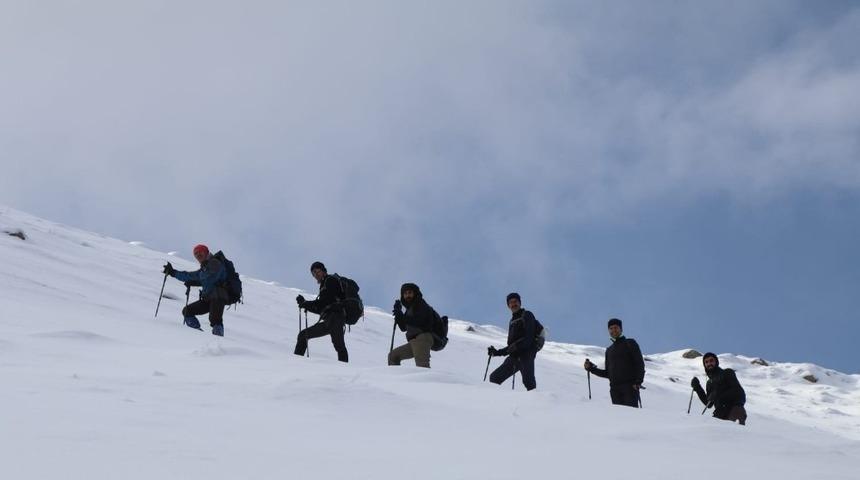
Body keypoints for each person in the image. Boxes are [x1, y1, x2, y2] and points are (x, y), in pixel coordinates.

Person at [162, 244, 228, 336]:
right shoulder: (204, 268)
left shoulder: (215, 262)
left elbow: (210, 277)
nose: (198, 255)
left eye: (200, 252)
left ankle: (218, 343)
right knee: (187, 311)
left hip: (218, 296)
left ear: (206, 252)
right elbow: (192, 276)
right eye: (195, 254)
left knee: (215, 319)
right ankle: (198, 336)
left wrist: (195, 281)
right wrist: (174, 273)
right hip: (208, 298)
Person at [487, 293, 544, 391]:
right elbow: (511, 346)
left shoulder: (527, 315)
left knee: (528, 382)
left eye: (515, 302)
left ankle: (537, 403)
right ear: (508, 305)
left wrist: (517, 346)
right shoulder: (512, 321)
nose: (513, 304)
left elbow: (528, 338)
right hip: (514, 356)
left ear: (520, 303)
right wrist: (496, 352)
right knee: (494, 378)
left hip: (527, 354)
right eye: (511, 303)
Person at [294, 261, 349, 362]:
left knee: (339, 346)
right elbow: (322, 307)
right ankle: (297, 363)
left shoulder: (330, 280)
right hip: (330, 320)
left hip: (335, 318)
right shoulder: (324, 284)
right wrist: (305, 304)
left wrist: (305, 304)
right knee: (303, 335)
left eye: (317, 271)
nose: (315, 275)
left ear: (323, 270)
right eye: (313, 274)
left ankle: (345, 372)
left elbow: (323, 303)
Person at [583, 318, 645, 407]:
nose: (613, 330)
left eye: (616, 327)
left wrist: (638, 381)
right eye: (611, 328)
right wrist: (591, 368)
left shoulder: (630, 343)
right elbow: (608, 373)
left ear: (621, 329)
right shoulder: (609, 350)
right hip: (614, 390)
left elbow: (639, 363)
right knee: (619, 418)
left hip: (630, 387)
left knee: (631, 418)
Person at [389, 283, 437, 368]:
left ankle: (429, 381)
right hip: (413, 342)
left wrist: (401, 316)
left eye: (410, 293)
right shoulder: (409, 310)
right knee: (393, 356)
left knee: (422, 368)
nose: (407, 295)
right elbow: (404, 327)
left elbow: (420, 321)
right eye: (405, 293)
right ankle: (396, 380)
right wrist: (398, 313)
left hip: (422, 338)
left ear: (415, 293)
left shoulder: (421, 304)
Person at [691, 352, 747, 425]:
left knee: (733, 434)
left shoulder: (727, 373)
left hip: (734, 410)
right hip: (719, 414)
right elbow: (708, 403)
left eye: (711, 360)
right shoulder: (709, 383)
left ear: (716, 362)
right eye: (706, 362)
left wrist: (718, 394)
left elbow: (740, 393)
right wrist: (698, 387)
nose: (709, 363)